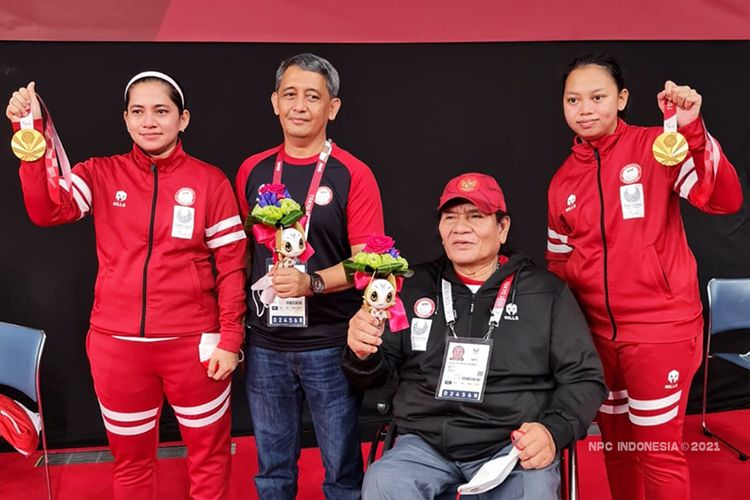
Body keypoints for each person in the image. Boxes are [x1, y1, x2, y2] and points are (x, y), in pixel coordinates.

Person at [7, 72, 247, 500]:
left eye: (161, 110)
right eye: (138, 111)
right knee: (131, 462)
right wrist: (29, 138)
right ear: (125, 119)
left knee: (208, 458)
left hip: (195, 346)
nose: (149, 121)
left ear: (183, 118)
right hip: (117, 347)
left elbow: (232, 265)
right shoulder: (100, 173)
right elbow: (47, 211)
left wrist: (230, 337)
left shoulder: (211, 181)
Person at [546, 54, 744, 500]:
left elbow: (724, 200)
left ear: (622, 99)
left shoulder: (658, 147)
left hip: (661, 332)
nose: (585, 108)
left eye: (598, 97)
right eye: (573, 99)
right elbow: (559, 263)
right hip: (597, 339)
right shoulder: (562, 181)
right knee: (617, 446)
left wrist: (691, 129)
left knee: (656, 449)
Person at [343, 173, 606, 500]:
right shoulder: (410, 287)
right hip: (425, 444)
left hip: (511, 446)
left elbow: (585, 377)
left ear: (502, 227)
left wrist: (552, 430)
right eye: (450, 218)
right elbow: (374, 374)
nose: (460, 228)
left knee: (534, 491)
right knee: (384, 481)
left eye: (476, 216)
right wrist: (363, 352)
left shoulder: (545, 292)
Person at [235, 53, 383, 499]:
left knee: (341, 472)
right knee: (272, 471)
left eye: (313, 96)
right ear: (275, 102)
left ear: (332, 108)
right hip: (265, 345)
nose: (300, 105)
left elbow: (369, 262)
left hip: (329, 344)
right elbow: (242, 252)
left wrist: (312, 283)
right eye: (291, 94)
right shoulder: (253, 170)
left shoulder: (353, 174)